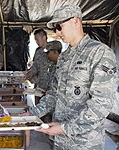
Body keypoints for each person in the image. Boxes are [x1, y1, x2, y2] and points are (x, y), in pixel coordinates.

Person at [32, 5, 117, 149]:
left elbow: (101, 104)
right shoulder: (64, 57)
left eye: (60, 26)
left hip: (84, 142)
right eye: (55, 29)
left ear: (76, 21)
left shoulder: (99, 53)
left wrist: (64, 127)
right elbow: (54, 93)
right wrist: (32, 113)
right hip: (60, 141)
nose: (57, 33)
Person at [26, 29, 55, 96]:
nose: (36, 41)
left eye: (37, 39)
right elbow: (35, 65)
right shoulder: (38, 51)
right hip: (39, 87)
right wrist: (31, 72)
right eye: (35, 40)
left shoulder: (53, 49)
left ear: (44, 37)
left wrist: (47, 47)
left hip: (50, 87)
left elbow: (59, 44)